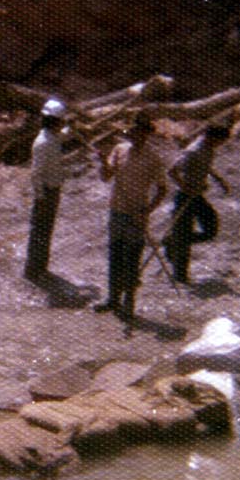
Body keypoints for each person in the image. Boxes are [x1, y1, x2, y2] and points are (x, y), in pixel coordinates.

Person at [94, 110, 168, 322]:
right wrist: (102, 163)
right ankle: (112, 299)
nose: (137, 135)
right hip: (117, 210)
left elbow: (162, 189)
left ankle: (129, 302)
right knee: (115, 255)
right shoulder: (119, 150)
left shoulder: (154, 158)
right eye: (134, 131)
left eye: (142, 132)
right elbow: (106, 177)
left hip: (137, 214)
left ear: (147, 134)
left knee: (132, 259)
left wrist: (147, 210)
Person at [163, 124, 230, 284]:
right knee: (183, 236)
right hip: (185, 197)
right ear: (212, 137)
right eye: (221, 141)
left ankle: (172, 241)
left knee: (210, 229)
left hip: (197, 196)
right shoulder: (193, 150)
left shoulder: (208, 148)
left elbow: (206, 165)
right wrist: (186, 187)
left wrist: (218, 179)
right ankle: (180, 275)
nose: (221, 144)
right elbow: (172, 171)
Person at [24, 97, 68, 283]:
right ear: (55, 121)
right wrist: (40, 197)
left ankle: (40, 267)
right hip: (45, 192)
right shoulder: (43, 143)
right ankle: (33, 270)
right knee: (40, 232)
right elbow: (36, 174)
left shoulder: (53, 136)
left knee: (45, 231)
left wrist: (73, 128)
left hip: (52, 190)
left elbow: (64, 134)